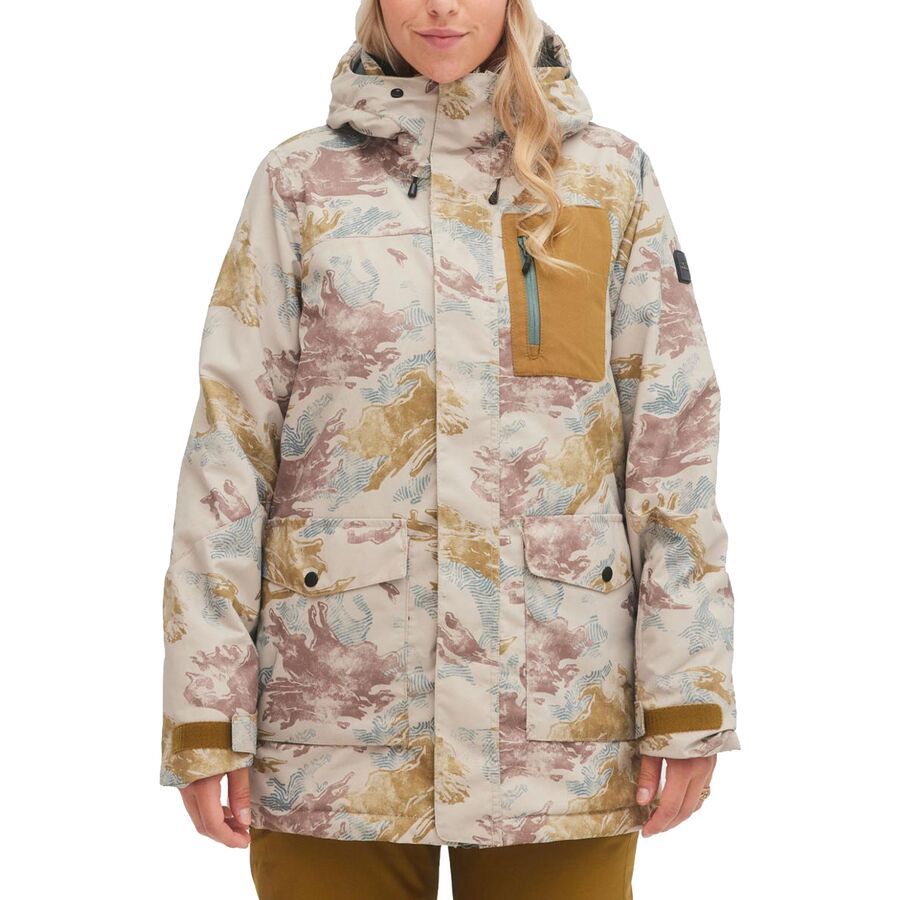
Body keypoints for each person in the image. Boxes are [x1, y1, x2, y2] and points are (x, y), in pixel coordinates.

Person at [159, 1, 740, 897]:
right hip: (333, 725)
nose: (440, 5)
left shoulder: (607, 177)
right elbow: (229, 451)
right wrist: (206, 712)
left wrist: (687, 697)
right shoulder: (300, 182)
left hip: (560, 723)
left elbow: (672, 444)